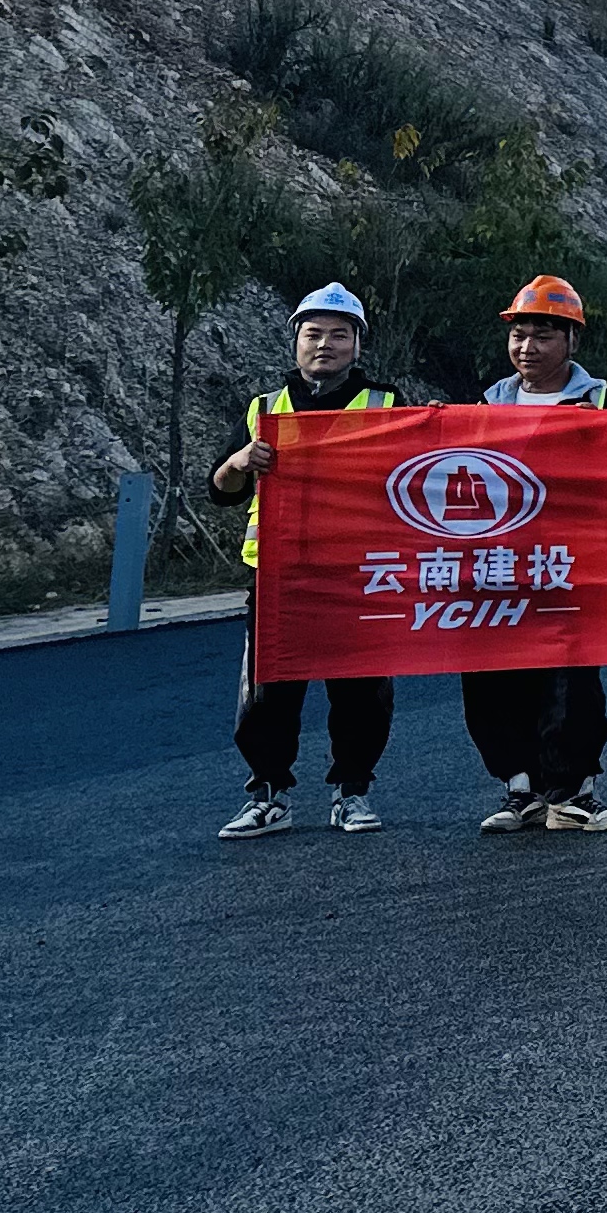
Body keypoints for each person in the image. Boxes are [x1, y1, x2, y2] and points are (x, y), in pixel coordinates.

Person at [206, 282, 401, 838]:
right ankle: (268, 792)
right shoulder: (265, 409)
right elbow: (220, 489)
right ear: (295, 341)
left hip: (359, 572)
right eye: (313, 334)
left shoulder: (387, 406)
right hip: (278, 573)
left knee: (360, 689)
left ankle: (353, 792)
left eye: (339, 335)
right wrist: (242, 460)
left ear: (357, 345)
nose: (325, 345)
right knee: (270, 688)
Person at [460, 275, 607, 833]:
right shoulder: (482, 406)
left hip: (569, 565)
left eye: (543, 336)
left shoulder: (602, 402)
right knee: (494, 677)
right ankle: (519, 789)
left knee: (571, 680)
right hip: (499, 564)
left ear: (572, 341)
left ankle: (572, 791)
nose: (527, 347)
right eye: (520, 335)